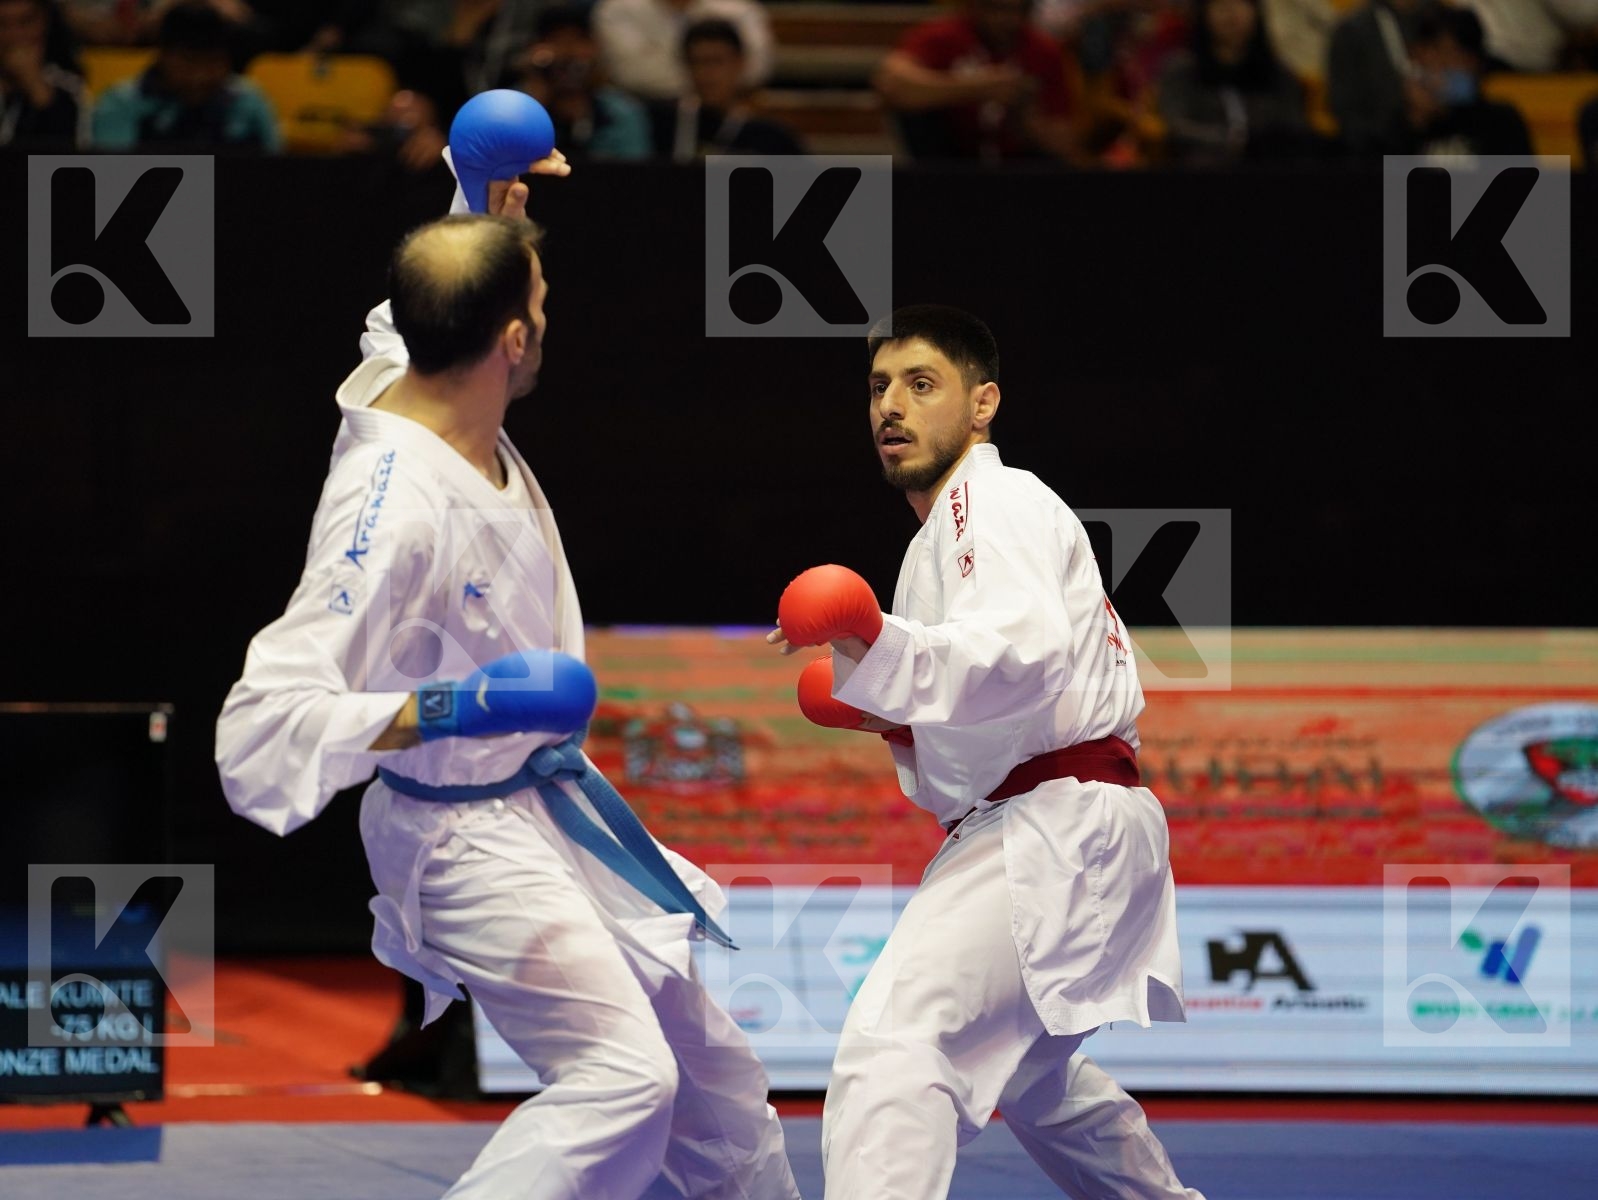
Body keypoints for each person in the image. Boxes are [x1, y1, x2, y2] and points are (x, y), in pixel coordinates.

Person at [215, 145, 799, 1198]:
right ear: (515, 340)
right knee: (622, 1078)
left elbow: (416, 304)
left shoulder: (419, 363)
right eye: (539, 295)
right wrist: (458, 704)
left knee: (717, 1095)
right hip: (457, 836)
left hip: (541, 809)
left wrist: (473, 195)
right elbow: (262, 729)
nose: (547, 309)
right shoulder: (389, 510)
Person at [767, 305, 1201, 1200]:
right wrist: (888, 721)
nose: (891, 406)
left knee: (897, 1047)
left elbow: (1025, 654)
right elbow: (993, 709)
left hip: (1055, 820)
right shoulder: (942, 537)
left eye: (921, 385)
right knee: (1039, 1084)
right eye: (879, 387)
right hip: (1065, 813)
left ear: (982, 404)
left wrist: (876, 640)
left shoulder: (987, 498)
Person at [875, 0, 1083, 165]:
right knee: (914, 111)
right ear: (975, 6)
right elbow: (892, 84)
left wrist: (1026, 120)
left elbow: (1067, 145)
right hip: (950, 160)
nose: (1008, 20)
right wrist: (979, 88)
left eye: (1017, 10)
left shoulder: (1044, 50)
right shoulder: (944, 35)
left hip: (1019, 166)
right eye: (997, 9)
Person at [90, 1, 280, 150]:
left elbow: (274, 176)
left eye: (213, 61)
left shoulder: (249, 102)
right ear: (163, 55)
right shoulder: (121, 103)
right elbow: (115, 179)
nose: (201, 75)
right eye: (190, 61)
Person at [1156, 0, 1312, 166]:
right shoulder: (1182, 72)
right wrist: (1233, 142)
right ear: (1203, 14)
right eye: (1220, 5)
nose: (1231, 13)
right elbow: (1175, 128)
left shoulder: (1279, 74)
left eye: (1240, 3)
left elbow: (1295, 128)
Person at [510, 4, 651, 162]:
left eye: (578, 40)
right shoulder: (512, 109)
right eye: (557, 41)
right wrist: (536, 95)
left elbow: (636, 176)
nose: (569, 53)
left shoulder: (621, 112)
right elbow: (506, 164)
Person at [649, 17, 802, 160]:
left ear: (740, 63)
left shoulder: (772, 138)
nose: (706, 73)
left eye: (716, 62)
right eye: (697, 62)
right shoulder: (663, 124)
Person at [1402, 4, 1531, 156]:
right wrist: (1416, 122)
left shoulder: (1502, 123)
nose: (1440, 67)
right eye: (1443, 55)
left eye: (1465, 58)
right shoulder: (1399, 125)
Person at [594, 0, 772, 103]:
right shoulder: (617, 10)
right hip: (647, 112)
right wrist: (715, 74)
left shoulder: (741, 10)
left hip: (730, 114)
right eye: (695, 62)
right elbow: (631, 75)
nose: (704, 74)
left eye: (712, 62)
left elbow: (754, 71)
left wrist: (659, 62)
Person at [0, 0, 87, 146]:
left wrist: (34, 84)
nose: (14, 36)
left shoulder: (69, 87)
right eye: (2, 24)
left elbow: (64, 156)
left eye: (25, 22)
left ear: (45, 22)